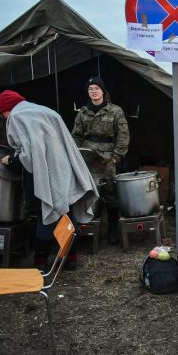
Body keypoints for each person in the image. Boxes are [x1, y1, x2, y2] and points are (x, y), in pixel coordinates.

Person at [0, 90, 98, 270]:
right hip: (65, 170)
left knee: (46, 214)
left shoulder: (17, 116)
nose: (4, 118)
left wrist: (11, 160)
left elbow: (30, 154)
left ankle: (41, 264)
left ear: (6, 109)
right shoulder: (44, 111)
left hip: (46, 174)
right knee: (68, 213)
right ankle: (70, 259)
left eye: (2, 114)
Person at [72, 77, 130, 245]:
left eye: (96, 88)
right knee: (87, 194)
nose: (94, 91)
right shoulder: (83, 112)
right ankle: (87, 229)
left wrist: (115, 157)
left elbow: (123, 136)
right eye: (90, 89)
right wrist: (76, 154)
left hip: (108, 158)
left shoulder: (115, 111)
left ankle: (112, 228)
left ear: (103, 91)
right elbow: (75, 136)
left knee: (111, 194)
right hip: (87, 159)